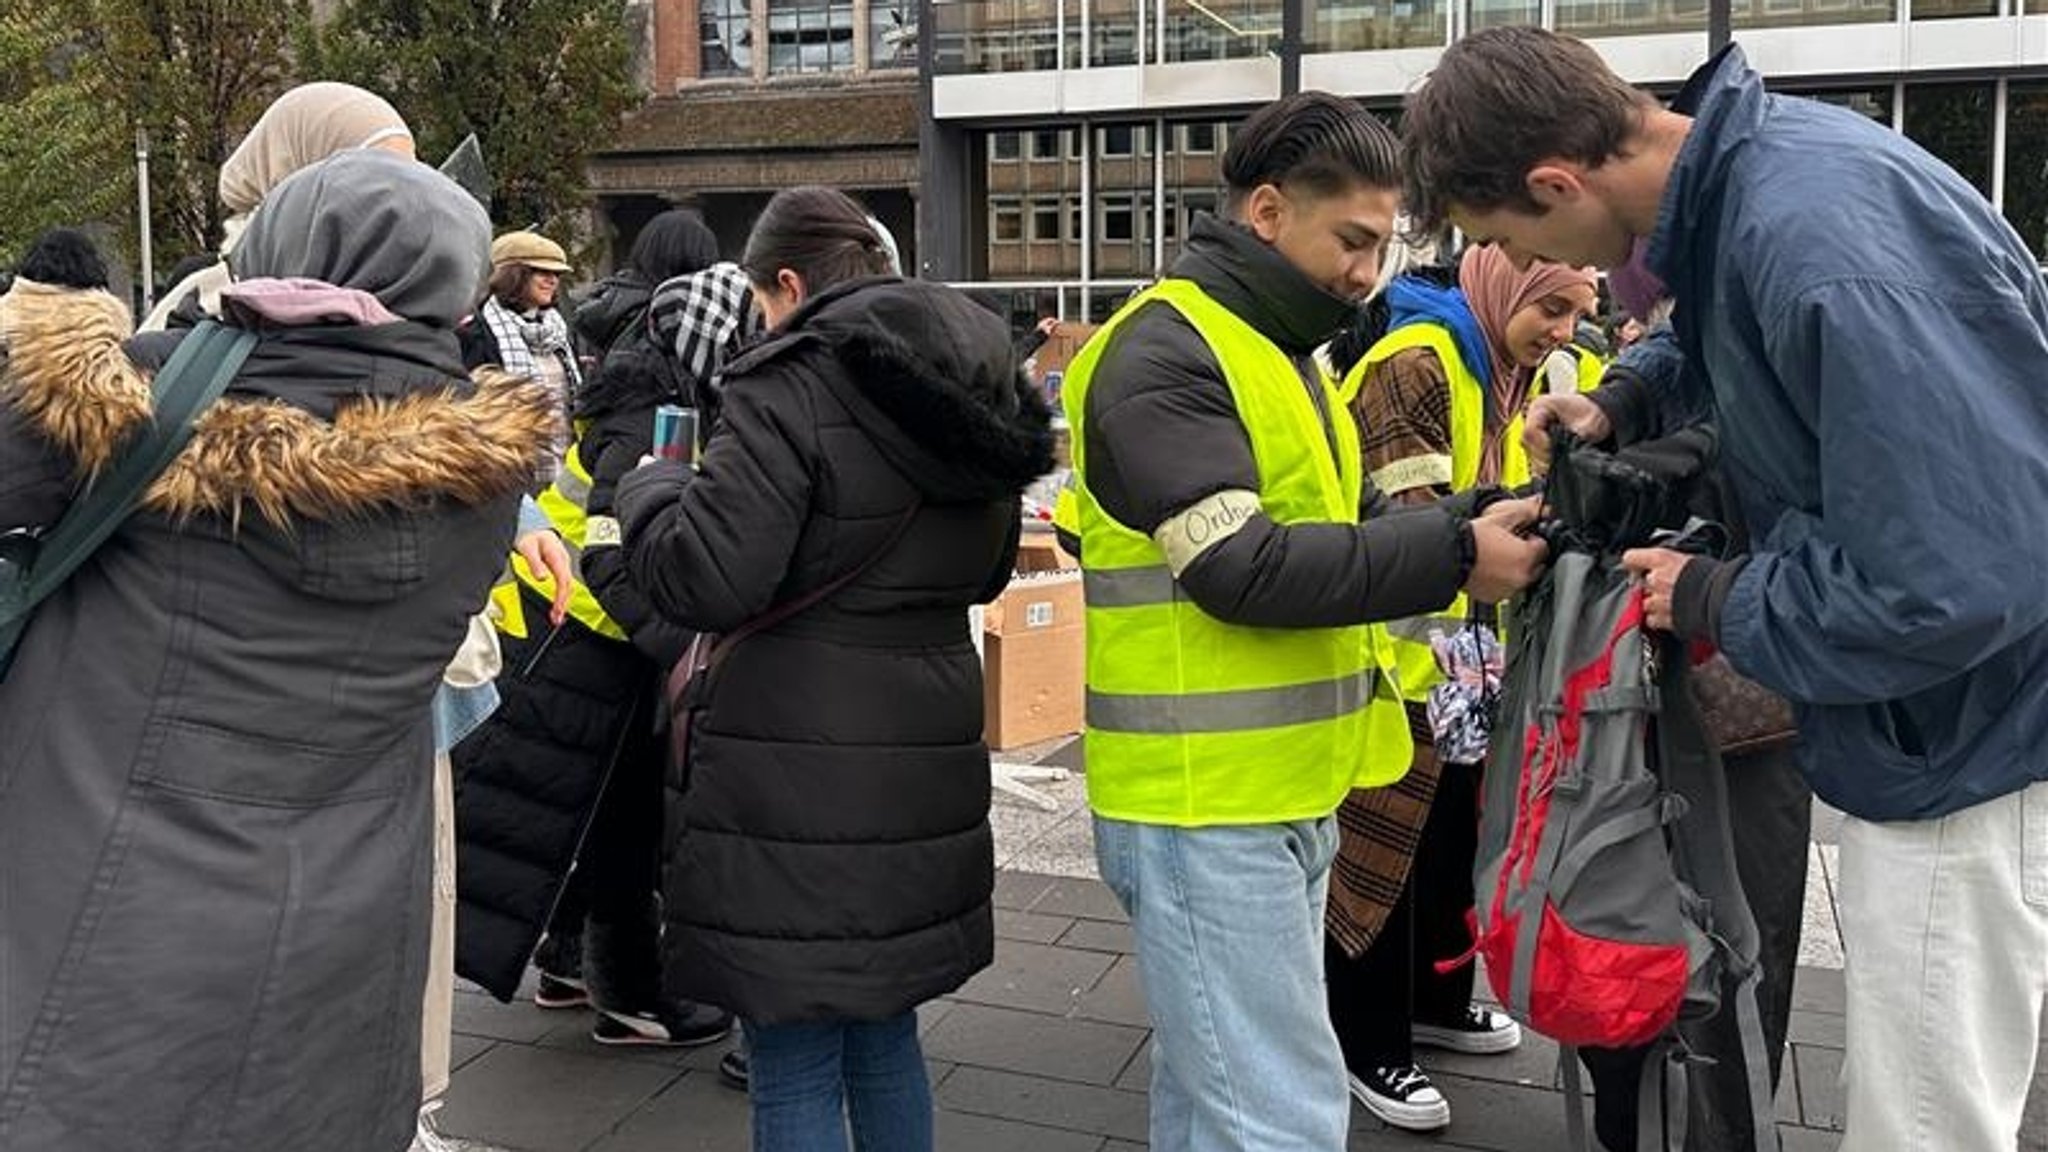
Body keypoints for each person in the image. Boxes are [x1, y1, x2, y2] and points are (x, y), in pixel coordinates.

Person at [1402, 27, 2048, 1152]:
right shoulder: (1757, 187)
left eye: (1511, 231)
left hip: (1966, 740)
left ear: (1556, 182)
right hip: (1938, 720)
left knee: (1924, 1121)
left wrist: (1713, 598)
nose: (1563, 275)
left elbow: (1955, 581)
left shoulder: (1807, 237)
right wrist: (1624, 399)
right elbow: (1732, 337)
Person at [0, 151, 554, 1152]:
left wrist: (62, 337)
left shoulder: (139, 395)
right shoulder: (488, 480)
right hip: (342, 927)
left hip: (100, 903)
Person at [1060, 90, 1547, 1152]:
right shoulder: (1166, 352)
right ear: (1269, 211)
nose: (1369, 271)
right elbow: (1237, 567)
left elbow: (1350, 521)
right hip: (1204, 800)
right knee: (1275, 1114)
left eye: (1383, 245)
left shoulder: (1281, 354)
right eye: (1354, 240)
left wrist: (1468, 519)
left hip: (1270, 785)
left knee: (1218, 1098)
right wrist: (1459, 553)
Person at [607, 185, 1054, 1151]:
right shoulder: (980, 383)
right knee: (885, 1034)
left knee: (795, 1056)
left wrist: (651, 492)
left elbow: (708, 577)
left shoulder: (789, 379)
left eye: (763, 301)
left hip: (792, 765)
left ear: (791, 283)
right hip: (921, 753)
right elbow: (985, 572)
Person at [1323, 243, 1595, 1132]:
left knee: (1454, 852)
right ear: (1502, 284)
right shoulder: (1417, 363)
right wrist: (1532, 500)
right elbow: (1414, 523)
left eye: (1573, 313)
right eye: (1549, 308)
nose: (1561, 332)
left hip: (1473, 669)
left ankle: (1436, 1005)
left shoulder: (1525, 371)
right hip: (1401, 662)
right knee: (1380, 861)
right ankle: (1368, 1043)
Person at [451, 209, 735, 1053]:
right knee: (624, 826)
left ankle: (571, 966)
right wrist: (675, 644)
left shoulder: (627, 362)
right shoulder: (655, 397)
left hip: (569, 616)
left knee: (579, 807)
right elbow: (617, 533)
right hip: (599, 631)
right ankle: (631, 997)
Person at [141, 81, 415, 333]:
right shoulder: (202, 303)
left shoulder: (420, 299)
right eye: (374, 177)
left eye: (411, 175)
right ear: (301, 170)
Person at [463, 231, 582, 473]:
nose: (552, 281)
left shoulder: (558, 331)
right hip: (507, 465)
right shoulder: (476, 334)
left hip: (563, 460)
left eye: (556, 274)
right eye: (542, 272)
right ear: (513, 276)